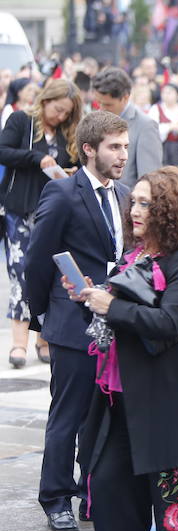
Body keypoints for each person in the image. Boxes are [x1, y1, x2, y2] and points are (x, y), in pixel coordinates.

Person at [66, 166, 178, 531]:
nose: (135, 210)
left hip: (166, 406)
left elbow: (170, 323)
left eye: (147, 203)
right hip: (117, 405)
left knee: (177, 516)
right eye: (135, 201)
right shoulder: (134, 257)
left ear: (170, 210)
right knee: (107, 501)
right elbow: (111, 322)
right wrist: (88, 300)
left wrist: (111, 306)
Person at [24, 110, 129, 531]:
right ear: (89, 149)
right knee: (66, 414)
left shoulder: (123, 197)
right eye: (114, 147)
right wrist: (44, 315)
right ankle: (55, 497)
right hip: (71, 324)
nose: (123, 155)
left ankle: (91, 492)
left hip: (115, 320)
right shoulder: (63, 193)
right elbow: (36, 259)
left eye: (125, 146)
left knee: (101, 415)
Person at [0, 78, 82, 368]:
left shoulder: (65, 132)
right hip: (20, 210)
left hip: (52, 212)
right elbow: (3, 151)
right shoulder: (22, 120)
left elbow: (76, 162)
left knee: (49, 273)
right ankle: (19, 343)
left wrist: (70, 172)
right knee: (21, 272)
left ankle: (43, 338)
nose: (59, 116)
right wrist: (37, 159)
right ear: (46, 100)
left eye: (65, 113)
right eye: (57, 109)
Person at [91, 67, 163, 188]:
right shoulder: (94, 120)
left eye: (108, 104)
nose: (102, 108)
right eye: (99, 103)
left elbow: (150, 180)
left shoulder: (145, 126)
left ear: (125, 97)